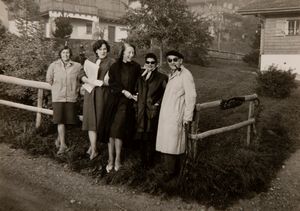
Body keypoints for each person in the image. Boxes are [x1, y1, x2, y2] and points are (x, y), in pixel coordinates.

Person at [156, 50, 197, 178]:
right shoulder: (172, 74)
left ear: (180, 61)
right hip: (167, 114)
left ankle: (171, 173)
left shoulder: (186, 75)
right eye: (169, 60)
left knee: (173, 144)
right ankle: (168, 171)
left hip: (176, 114)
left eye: (175, 60)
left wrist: (187, 117)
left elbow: (191, 96)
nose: (172, 62)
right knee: (167, 143)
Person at [104, 43, 141, 172]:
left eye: (133, 52)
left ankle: (118, 159)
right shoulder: (115, 66)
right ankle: (110, 159)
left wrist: (137, 94)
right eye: (129, 52)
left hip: (126, 104)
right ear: (123, 52)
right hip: (114, 101)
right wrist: (123, 91)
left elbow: (139, 83)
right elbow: (111, 83)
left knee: (118, 130)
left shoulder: (136, 67)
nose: (131, 55)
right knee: (111, 131)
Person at [79, 40, 115, 160]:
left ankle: (93, 146)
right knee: (90, 121)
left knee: (99, 120)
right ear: (96, 50)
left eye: (105, 49)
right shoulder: (90, 60)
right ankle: (93, 148)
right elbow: (81, 73)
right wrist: (87, 80)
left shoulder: (111, 62)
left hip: (102, 93)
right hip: (90, 92)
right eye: (100, 49)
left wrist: (101, 82)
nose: (103, 51)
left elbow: (112, 80)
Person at [46, 46, 82, 155]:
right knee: (60, 120)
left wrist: (75, 88)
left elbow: (81, 79)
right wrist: (57, 88)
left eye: (67, 53)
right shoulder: (54, 65)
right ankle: (63, 145)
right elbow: (49, 79)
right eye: (63, 53)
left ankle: (58, 139)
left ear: (70, 54)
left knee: (68, 120)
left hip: (71, 97)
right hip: (58, 97)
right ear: (60, 54)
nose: (65, 55)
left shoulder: (77, 66)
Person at [135, 53, 167, 168]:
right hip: (141, 112)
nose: (150, 65)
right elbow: (136, 90)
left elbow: (166, 94)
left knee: (150, 138)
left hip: (152, 112)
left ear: (156, 64)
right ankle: (142, 163)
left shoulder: (162, 78)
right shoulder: (142, 77)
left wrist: (157, 104)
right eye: (147, 62)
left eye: (152, 62)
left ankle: (150, 163)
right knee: (141, 138)